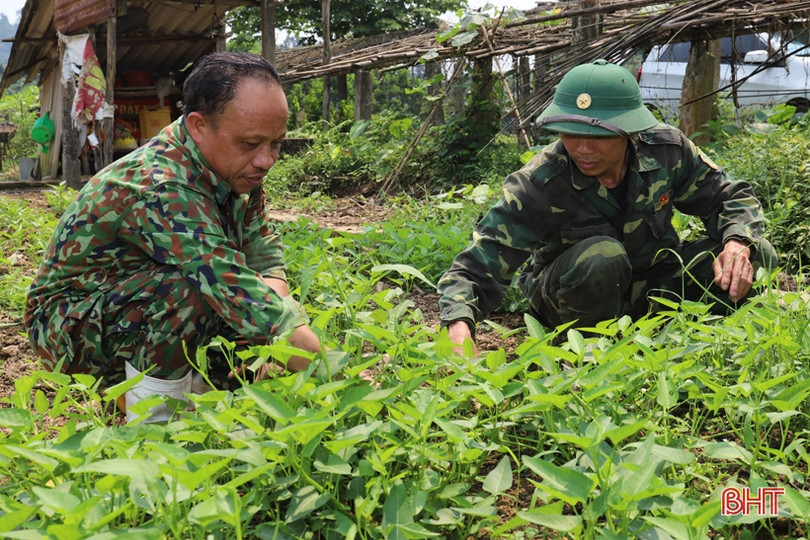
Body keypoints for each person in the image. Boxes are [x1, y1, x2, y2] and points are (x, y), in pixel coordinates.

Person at [24, 52, 323, 421]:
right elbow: (230, 286)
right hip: (70, 326)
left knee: (251, 329)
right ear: (198, 126)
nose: (266, 160)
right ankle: (155, 420)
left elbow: (262, 254)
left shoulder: (235, 168)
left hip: (129, 303)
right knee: (192, 289)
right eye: (250, 144)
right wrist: (326, 367)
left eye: (276, 143)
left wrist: (273, 334)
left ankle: (196, 390)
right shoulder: (163, 184)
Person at [437, 59, 777, 351]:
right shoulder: (540, 182)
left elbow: (730, 197)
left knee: (757, 253)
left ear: (629, 131)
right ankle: (589, 350)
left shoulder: (666, 151)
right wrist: (458, 325)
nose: (583, 148)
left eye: (599, 136)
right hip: (573, 295)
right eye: (570, 133)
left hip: (654, 284)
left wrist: (737, 242)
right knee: (603, 256)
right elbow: (477, 265)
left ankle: (694, 336)